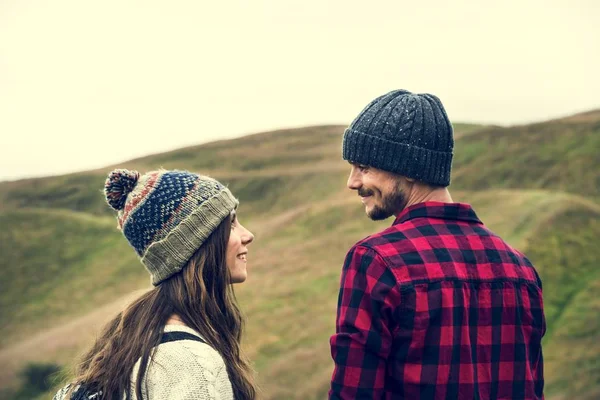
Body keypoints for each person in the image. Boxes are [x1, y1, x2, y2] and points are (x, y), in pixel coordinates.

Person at [329, 90, 545, 399]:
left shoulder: (376, 261)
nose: (352, 182)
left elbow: (355, 391)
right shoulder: (520, 269)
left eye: (364, 167)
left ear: (408, 168)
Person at [54, 169, 257, 399]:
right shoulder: (190, 362)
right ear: (197, 242)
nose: (247, 234)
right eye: (230, 224)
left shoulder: (137, 340)